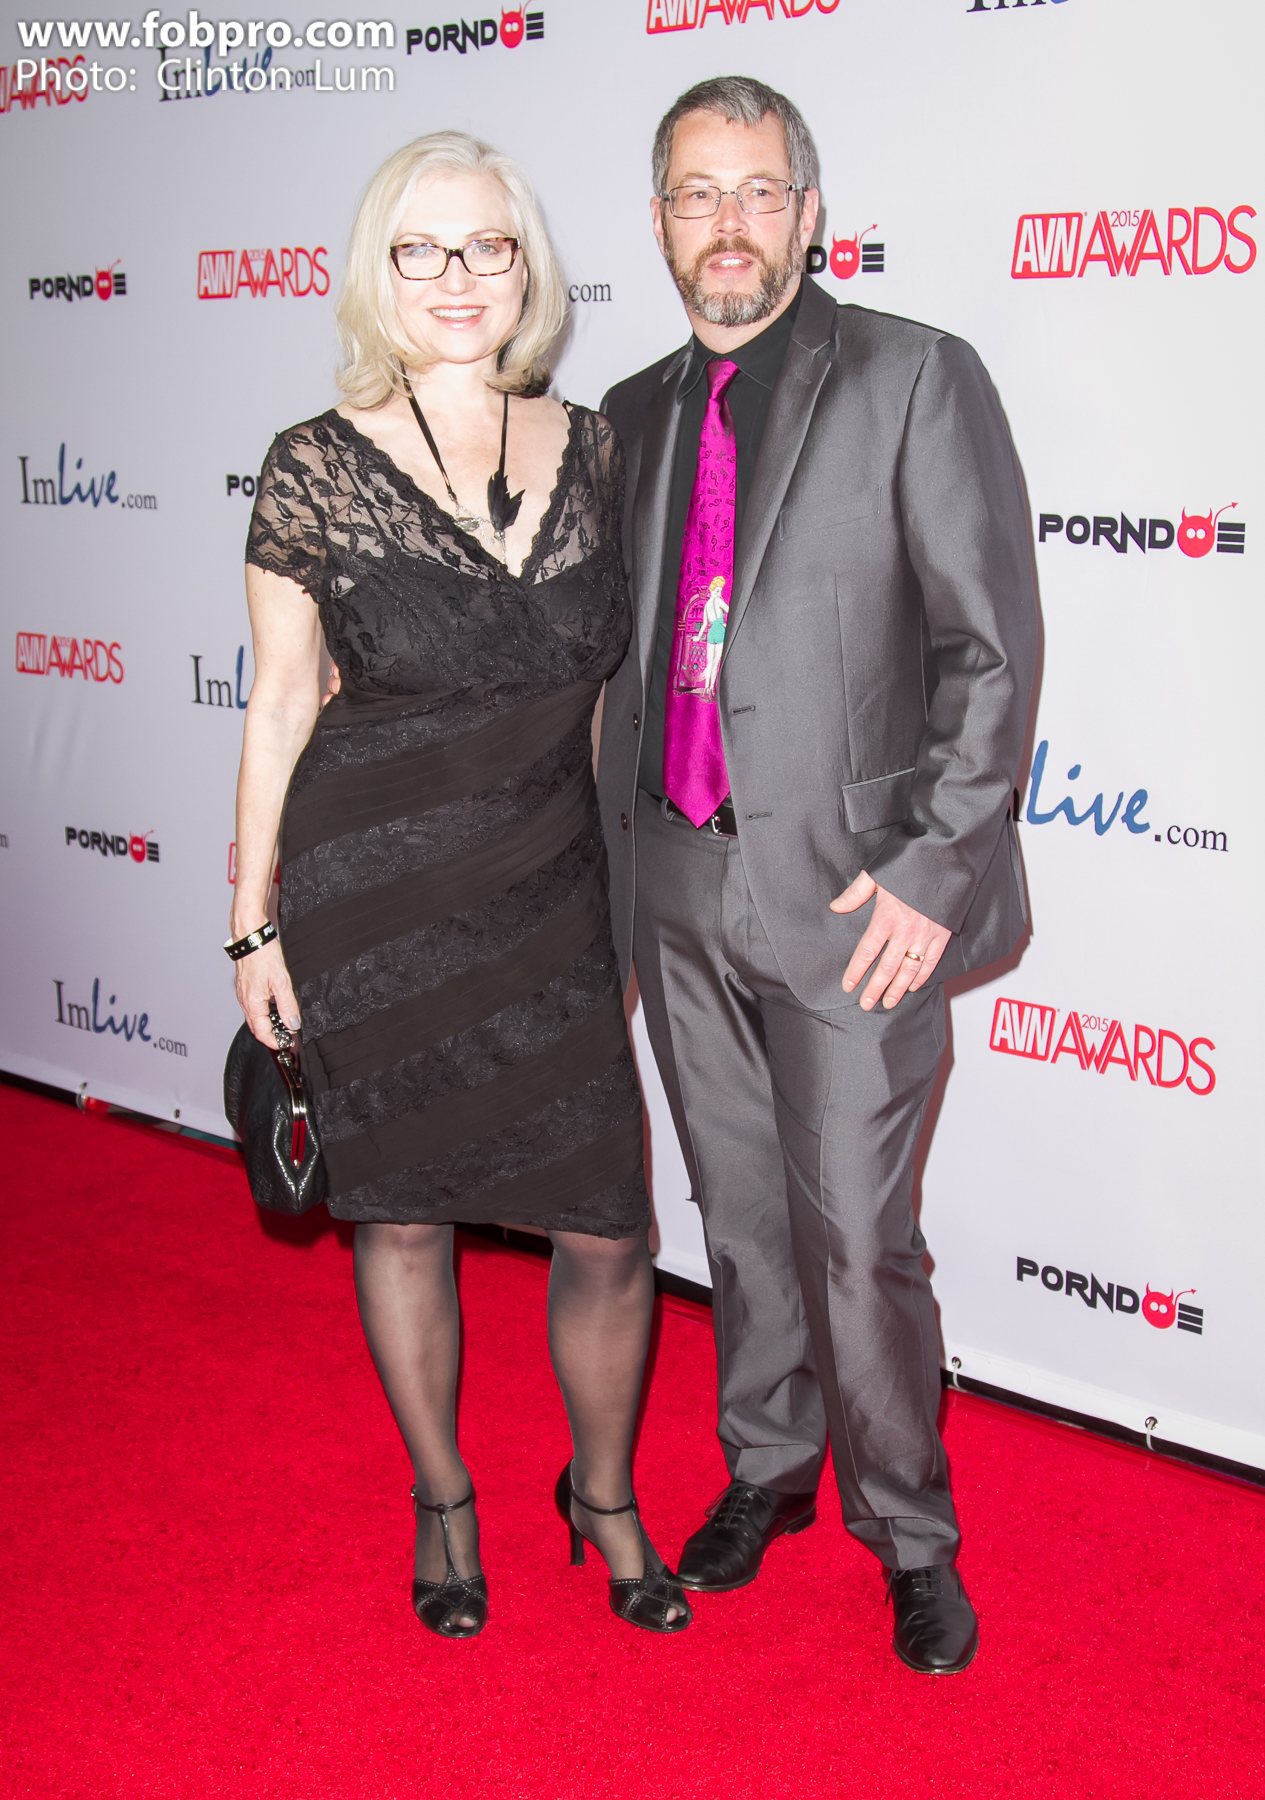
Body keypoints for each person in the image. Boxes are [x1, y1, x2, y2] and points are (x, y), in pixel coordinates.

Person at [597, 78, 1036, 1673]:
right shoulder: (630, 414)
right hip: (671, 875)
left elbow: (988, 655)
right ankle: (768, 1466)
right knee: (735, 1215)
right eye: (695, 192)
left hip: (856, 902)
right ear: (659, 221)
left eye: (756, 191)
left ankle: (909, 1533)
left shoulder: (912, 375)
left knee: (858, 1238)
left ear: (807, 212)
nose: (727, 222)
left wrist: (929, 873)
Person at [229, 130, 690, 1640]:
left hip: (550, 885)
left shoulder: (601, 450)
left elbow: (619, 700)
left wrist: (627, 893)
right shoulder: (312, 462)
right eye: (419, 249)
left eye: (486, 245)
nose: (455, 277)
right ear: (378, 270)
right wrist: (253, 920)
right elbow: (279, 706)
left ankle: (601, 1494)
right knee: (404, 1215)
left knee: (607, 1225)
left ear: (526, 267)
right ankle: (443, 1497)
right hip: (373, 887)